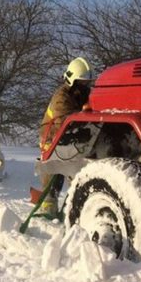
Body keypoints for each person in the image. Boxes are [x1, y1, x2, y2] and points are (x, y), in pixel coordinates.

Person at [37, 57, 93, 216]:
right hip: (51, 138)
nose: (85, 86)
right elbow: (65, 121)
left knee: (74, 173)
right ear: (72, 80)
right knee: (53, 172)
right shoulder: (61, 97)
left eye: (87, 82)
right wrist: (85, 114)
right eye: (81, 82)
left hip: (70, 139)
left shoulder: (84, 94)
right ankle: (48, 207)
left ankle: (74, 207)